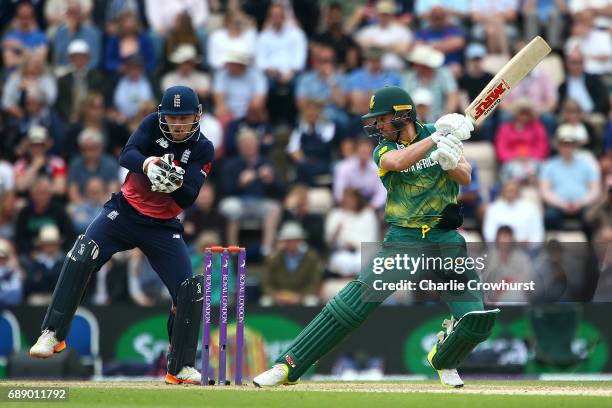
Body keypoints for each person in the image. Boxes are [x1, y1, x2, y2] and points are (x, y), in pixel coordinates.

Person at [253, 86, 498, 388]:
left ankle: (444, 359)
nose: (377, 126)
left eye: (381, 119)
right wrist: (436, 140)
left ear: (402, 115)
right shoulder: (384, 149)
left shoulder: (439, 131)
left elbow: (466, 175)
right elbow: (398, 163)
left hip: (444, 238)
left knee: (476, 318)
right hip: (404, 240)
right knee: (352, 305)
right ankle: (287, 365)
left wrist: (450, 162)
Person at [29, 86, 215, 386]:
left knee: (189, 289)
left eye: (185, 117)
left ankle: (179, 367)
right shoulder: (151, 125)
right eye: (172, 117)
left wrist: (172, 183)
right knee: (82, 252)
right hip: (124, 213)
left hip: (162, 226)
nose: (178, 124)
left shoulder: (203, 147)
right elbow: (127, 154)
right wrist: (149, 165)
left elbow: (190, 196)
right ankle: (53, 333)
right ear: (162, 115)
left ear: (197, 116)